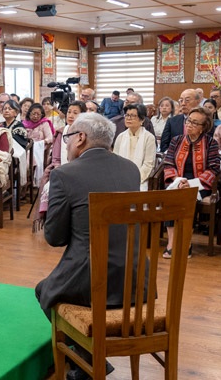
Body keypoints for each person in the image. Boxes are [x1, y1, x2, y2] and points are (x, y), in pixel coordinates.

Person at [35, 112, 142, 378]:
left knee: (44, 291)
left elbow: (54, 238)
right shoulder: (131, 169)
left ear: (81, 138)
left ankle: (88, 365)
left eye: (68, 137)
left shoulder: (65, 174)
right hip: (136, 278)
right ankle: (92, 363)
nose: (66, 144)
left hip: (91, 281)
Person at [162, 107, 221, 259]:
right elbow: (168, 163)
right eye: (189, 121)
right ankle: (171, 243)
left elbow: (213, 168)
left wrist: (193, 183)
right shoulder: (177, 140)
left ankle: (186, 243)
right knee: (172, 197)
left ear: (204, 127)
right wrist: (177, 179)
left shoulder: (211, 143)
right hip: (178, 181)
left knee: (187, 197)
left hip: (200, 184)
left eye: (195, 123)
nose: (189, 124)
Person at [35, 101, 85, 229]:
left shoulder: (85, 134)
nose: (71, 115)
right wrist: (59, 169)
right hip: (62, 170)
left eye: (75, 113)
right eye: (69, 112)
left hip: (80, 171)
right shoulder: (61, 132)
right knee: (50, 185)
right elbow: (56, 159)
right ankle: (54, 223)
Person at [113, 104, 156, 191]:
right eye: (127, 115)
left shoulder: (149, 137)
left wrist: (134, 179)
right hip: (121, 177)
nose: (128, 118)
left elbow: (148, 164)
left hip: (141, 178)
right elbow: (115, 161)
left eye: (133, 116)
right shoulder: (120, 136)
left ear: (142, 119)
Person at [159, 88, 201, 153]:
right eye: (181, 100)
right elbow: (164, 145)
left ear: (198, 101)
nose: (183, 103)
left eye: (187, 100)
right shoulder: (172, 121)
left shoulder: (205, 121)